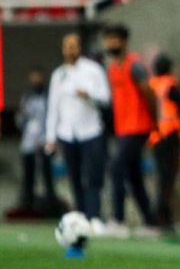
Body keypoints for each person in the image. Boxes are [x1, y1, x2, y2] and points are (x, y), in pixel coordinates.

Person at [44, 34, 110, 231]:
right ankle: (80, 218)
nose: (70, 50)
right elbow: (53, 107)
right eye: (67, 46)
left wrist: (89, 96)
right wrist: (51, 137)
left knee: (93, 175)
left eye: (74, 46)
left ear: (80, 48)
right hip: (67, 133)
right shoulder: (58, 75)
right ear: (63, 49)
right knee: (74, 177)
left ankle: (95, 216)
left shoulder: (93, 70)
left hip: (91, 130)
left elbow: (106, 98)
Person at [103, 24, 157, 233]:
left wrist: (153, 122)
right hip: (123, 129)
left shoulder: (135, 66)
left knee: (116, 168)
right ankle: (151, 222)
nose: (110, 44)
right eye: (108, 39)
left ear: (124, 42)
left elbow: (149, 93)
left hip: (138, 127)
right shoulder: (113, 68)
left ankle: (118, 220)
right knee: (134, 176)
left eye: (115, 39)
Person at [148, 54, 180, 230]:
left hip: (155, 136)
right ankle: (164, 215)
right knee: (168, 178)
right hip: (170, 135)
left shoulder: (152, 84)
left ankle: (160, 214)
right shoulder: (170, 84)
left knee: (161, 178)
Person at [16, 68, 57, 211]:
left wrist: (48, 138)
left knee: (47, 175)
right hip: (28, 143)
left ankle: (51, 205)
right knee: (28, 176)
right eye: (33, 78)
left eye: (38, 77)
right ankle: (27, 205)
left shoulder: (48, 97)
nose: (36, 81)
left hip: (44, 141)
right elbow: (20, 121)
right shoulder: (27, 97)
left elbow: (52, 118)